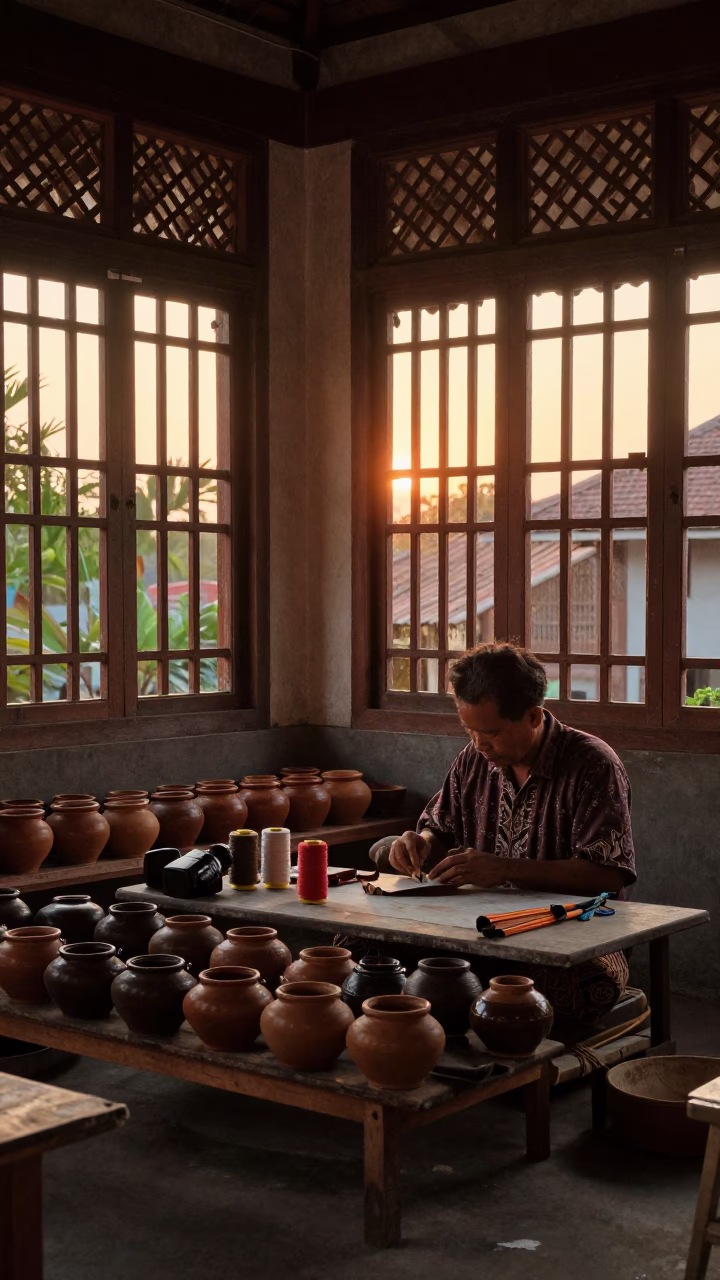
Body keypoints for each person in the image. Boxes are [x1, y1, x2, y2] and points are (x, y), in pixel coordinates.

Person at [371, 643, 636, 1022]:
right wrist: (419, 843)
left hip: (577, 933)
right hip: (477, 927)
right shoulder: (474, 759)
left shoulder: (592, 765)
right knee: (363, 953)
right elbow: (438, 830)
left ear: (533, 716)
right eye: (469, 729)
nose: (479, 744)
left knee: (563, 991)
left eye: (491, 732)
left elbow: (608, 877)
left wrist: (505, 869)